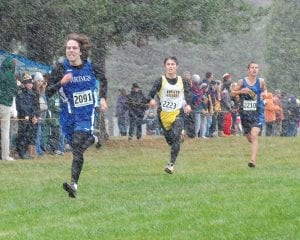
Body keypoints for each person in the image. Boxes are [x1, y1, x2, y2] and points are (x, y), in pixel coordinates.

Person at [46, 33, 107, 198]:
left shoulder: (91, 67)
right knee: (76, 147)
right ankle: (93, 138)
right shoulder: (60, 68)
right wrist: (61, 83)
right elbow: (48, 92)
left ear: (81, 51)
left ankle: (73, 184)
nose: (70, 51)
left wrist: (102, 98)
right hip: (68, 116)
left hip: (86, 115)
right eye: (68, 48)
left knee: (77, 145)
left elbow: (104, 80)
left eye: (74, 48)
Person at [148, 56, 192, 174]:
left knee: (175, 135)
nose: (170, 66)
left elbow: (188, 95)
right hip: (163, 115)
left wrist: (187, 105)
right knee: (171, 141)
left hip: (178, 113)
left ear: (177, 66)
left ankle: (171, 164)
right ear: (165, 66)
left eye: (173, 64)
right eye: (168, 64)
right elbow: (150, 94)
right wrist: (151, 100)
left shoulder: (182, 81)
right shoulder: (160, 81)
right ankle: (179, 136)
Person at [231, 62, 267, 168]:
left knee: (254, 135)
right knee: (250, 137)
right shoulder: (242, 81)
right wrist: (241, 91)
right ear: (248, 70)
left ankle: (253, 160)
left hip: (257, 113)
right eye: (252, 68)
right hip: (245, 114)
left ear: (258, 70)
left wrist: (264, 93)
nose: (254, 69)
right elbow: (232, 93)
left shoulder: (261, 81)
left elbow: (264, 89)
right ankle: (254, 145)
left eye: (256, 68)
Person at [16, 73, 39, 159]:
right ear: (24, 83)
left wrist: (35, 116)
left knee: (29, 136)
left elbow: (36, 106)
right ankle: (21, 153)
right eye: (28, 82)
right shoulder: (21, 93)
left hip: (31, 118)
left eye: (31, 82)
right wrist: (29, 115)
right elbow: (21, 106)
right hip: (24, 118)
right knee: (22, 135)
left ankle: (26, 153)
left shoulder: (34, 93)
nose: (30, 84)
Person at [0, 56, 18, 161]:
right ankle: (5, 156)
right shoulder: (11, 77)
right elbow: (15, 93)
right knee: (5, 131)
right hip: (5, 106)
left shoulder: (1, 75)